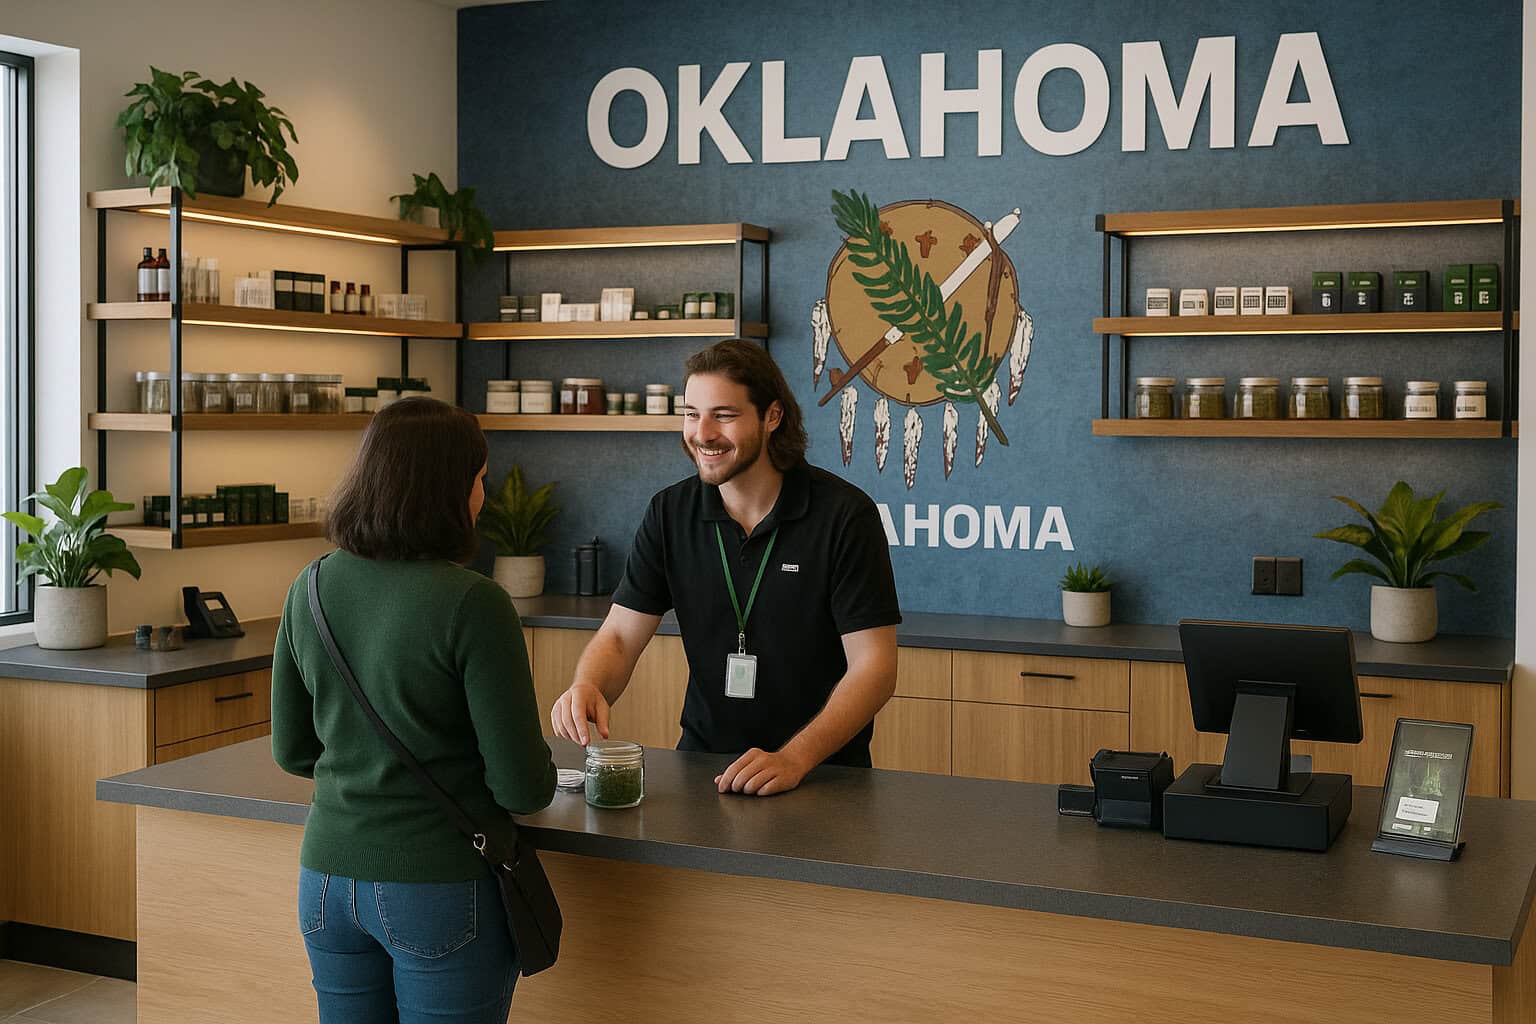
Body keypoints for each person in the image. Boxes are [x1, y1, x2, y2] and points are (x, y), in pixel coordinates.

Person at [272, 397, 556, 1024]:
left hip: (325, 881)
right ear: (450, 489)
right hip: (438, 886)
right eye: (480, 479)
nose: (484, 495)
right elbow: (522, 786)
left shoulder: (310, 586)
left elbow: (292, 751)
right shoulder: (473, 603)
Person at [551, 339, 901, 796]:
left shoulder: (843, 515)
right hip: (702, 768)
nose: (703, 432)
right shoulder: (669, 513)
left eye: (724, 415)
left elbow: (875, 667)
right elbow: (619, 635)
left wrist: (795, 758)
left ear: (772, 416)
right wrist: (589, 684)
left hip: (823, 775)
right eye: (692, 413)